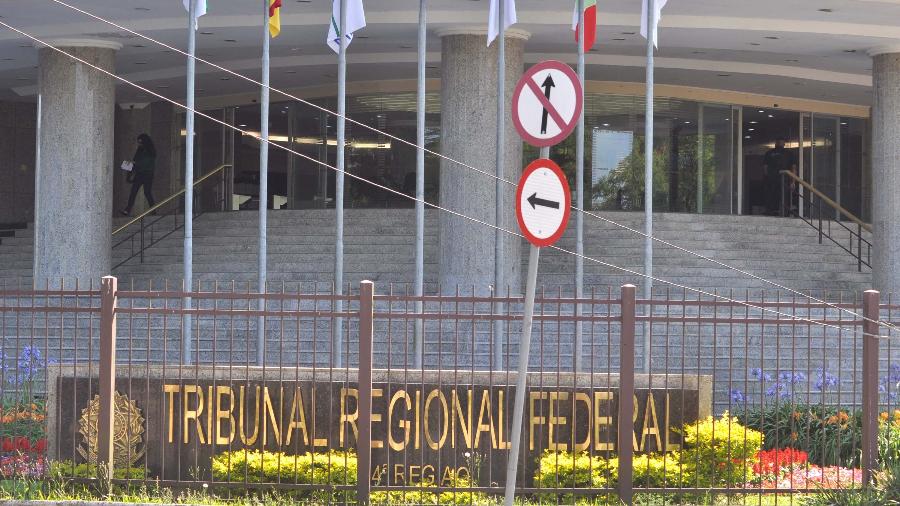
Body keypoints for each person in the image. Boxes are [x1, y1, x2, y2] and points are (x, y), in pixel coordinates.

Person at [122, 133, 157, 216]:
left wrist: (134, 163)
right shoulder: (140, 149)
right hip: (139, 173)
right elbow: (135, 161)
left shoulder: (151, 151)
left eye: (140, 142)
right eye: (138, 142)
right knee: (133, 192)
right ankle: (127, 210)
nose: (139, 144)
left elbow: (144, 162)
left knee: (147, 192)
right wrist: (129, 173)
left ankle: (153, 210)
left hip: (147, 174)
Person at [762, 137, 797, 216]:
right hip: (777, 179)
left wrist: (793, 181)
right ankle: (779, 212)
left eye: (781, 141)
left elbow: (793, 168)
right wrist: (793, 181)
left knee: (780, 197)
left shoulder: (788, 153)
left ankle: (780, 212)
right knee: (777, 197)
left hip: (781, 179)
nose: (780, 143)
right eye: (780, 141)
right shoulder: (771, 153)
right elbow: (765, 168)